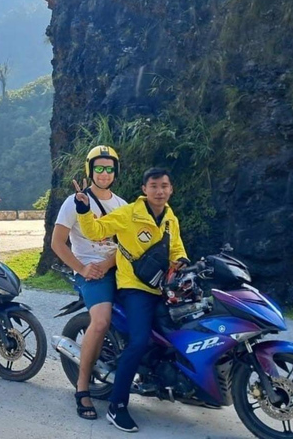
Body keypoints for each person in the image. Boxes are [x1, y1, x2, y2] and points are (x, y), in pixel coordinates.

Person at [74, 167, 189, 433]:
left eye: (164, 186)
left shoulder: (170, 217)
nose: (160, 191)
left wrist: (181, 262)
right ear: (144, 189)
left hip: (161, 285)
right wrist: (83, 209)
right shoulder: (128, 214)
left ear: (171, 189)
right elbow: (96, 230)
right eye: (154, 186)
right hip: (135, 287)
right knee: (138, 341)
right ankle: (117, 406)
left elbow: (177, 247)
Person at [51, 145, 126, 420]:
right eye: (98, 168)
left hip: (117, 269)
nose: (104, 173)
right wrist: (82, 268)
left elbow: (129, 244)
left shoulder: (122, 206)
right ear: (89, 170)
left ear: (115, 172)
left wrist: (109, 263)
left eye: (109, 168)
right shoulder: (75, 202)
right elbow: (57, 243)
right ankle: (82, 388)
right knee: (101, 320)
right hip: (91, 272)